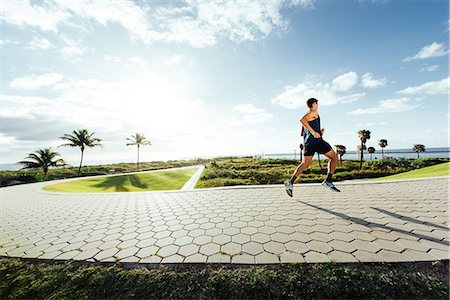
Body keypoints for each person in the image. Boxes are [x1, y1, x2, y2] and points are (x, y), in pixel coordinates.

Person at [284, 98, 340, 197]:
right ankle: (328, 180)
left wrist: (318, 131)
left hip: (308, 143)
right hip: (317, 142)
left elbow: (302, 132)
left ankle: (290, 182)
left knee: (305, 164)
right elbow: (302, 120)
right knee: (334, 158)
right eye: (317, 103)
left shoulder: (309, 115)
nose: (318, 105)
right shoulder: (313, 112)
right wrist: (314, 132)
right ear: (313, 104)